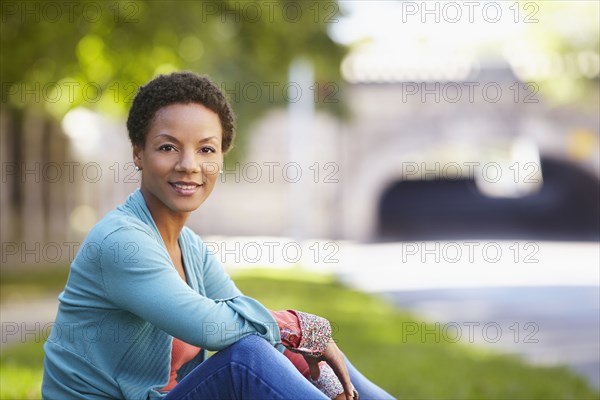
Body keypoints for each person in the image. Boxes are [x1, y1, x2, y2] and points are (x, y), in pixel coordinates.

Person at [42, 72, 395, 400]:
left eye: (206, 149)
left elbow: (252, 327)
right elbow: (210, 327)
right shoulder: (121, 242)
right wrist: (301, 327)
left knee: (263, 348)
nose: (189, 165)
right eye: (168, 147)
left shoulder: (189, 247)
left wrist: (327, 378)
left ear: (221, 158)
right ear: (138, 152)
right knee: (244, 359)